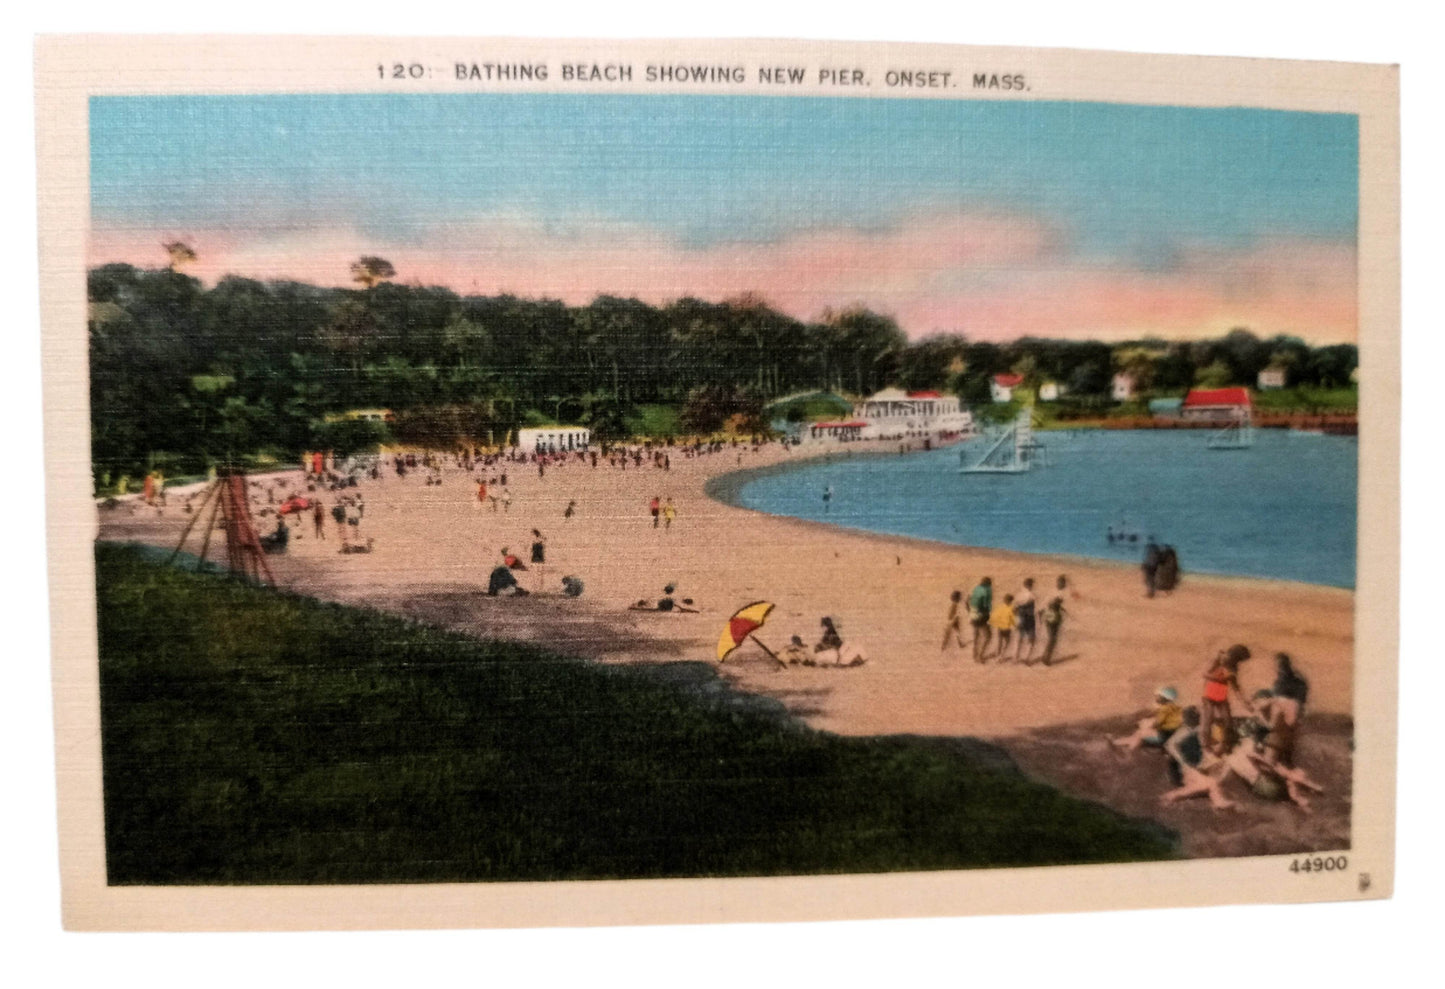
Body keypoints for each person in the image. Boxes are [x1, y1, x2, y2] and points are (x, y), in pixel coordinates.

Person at [1159, 707, 1237, 811]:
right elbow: (1170, 745)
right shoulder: (1184, 732)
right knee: (1210, 783)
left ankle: (1172, 796)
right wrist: (1183, 762)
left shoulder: (1196, 729)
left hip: (1194, 767)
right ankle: (1218, 802)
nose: (1197, 720)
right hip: (1187, 769)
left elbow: (1211, 743)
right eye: (1195, 718)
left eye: (1197, 717)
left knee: (1204, 785)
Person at [1201, 644, 1254, 755]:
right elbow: (1205, 674)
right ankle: (1206, 746)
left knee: (1227, 721)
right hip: (1209, 696)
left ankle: (1225, 745)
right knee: (1208, 719)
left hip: (1221, 696)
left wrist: (1245, 703)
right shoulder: (1218, 660)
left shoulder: (1233, 667)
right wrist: (1222, 678)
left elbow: (1236, 688)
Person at [1112, 686, 1183, 754]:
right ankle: (1121, 742)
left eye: (1159, 697)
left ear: (1164, 698)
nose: (1156, 698)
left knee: (1140, 734)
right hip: (1173, 734)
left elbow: (1158, 722)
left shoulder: (1165, 709)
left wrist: (1144, 723)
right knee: (1141, 732)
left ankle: (1128, 750)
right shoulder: (1177, 708)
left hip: (1165, 736)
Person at [968, 577, 993, 663]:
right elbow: (986, 607)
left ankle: (974, 655)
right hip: (981, 618)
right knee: (988, 636)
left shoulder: (975, 591)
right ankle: (980, 656)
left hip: (973, 616)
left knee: (976, 637)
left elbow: (967, 602)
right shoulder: (986, 593)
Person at [1013, 578, 1037, 663]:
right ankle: (1027, 658)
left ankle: (1015, 657)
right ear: (1030, 585)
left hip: (1020, 617)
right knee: (1031, 639)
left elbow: (1015, 607)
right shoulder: (1032, 595)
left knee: (1019, 638)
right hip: (1029, 618)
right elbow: (1031, 602)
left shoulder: (1018, 594)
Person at [989, 594, 1016, 661]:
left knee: (1000, 643)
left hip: (1000, 628)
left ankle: (998, 655)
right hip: (1007, 628)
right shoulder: (1012, 608)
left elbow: (995, 617)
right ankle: (1001, 656)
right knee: (1007, 643)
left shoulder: (1000, 608)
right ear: (1011, 601)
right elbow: (1012, 619)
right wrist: (1014, 625)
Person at [1040, 596, 1066, 665]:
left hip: (1050, 624)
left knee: (1050, 641)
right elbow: (1056, 616)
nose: (1060, 603)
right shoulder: (1055, 606)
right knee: (1052, 642)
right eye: (1060, 602)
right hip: (1053, 625)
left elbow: (1046, 614)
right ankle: (1046, 659)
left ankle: (1044, 657)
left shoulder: (1051, 605)